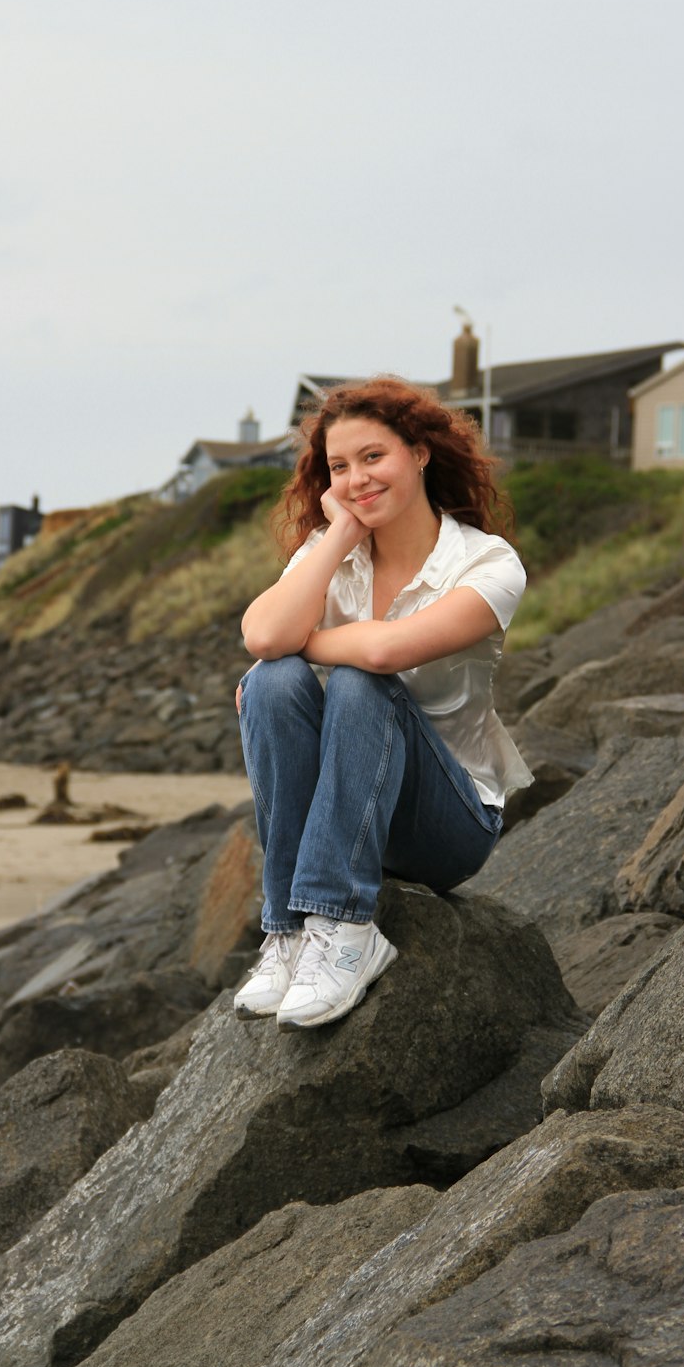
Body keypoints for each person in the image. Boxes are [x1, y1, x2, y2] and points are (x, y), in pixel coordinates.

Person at [233, 376, 532, 1031]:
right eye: (339, 467)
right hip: (349, 802)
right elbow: (260, 636)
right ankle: (288, 931)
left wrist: (304, 642)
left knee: (360, 681)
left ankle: (345, 924)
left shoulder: (487, 563)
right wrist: (338, 538)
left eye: (374, 457)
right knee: (271, 682)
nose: (357, 479)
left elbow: (384, 655)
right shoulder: (332, 551)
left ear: (420, 452)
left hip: (447, 823)